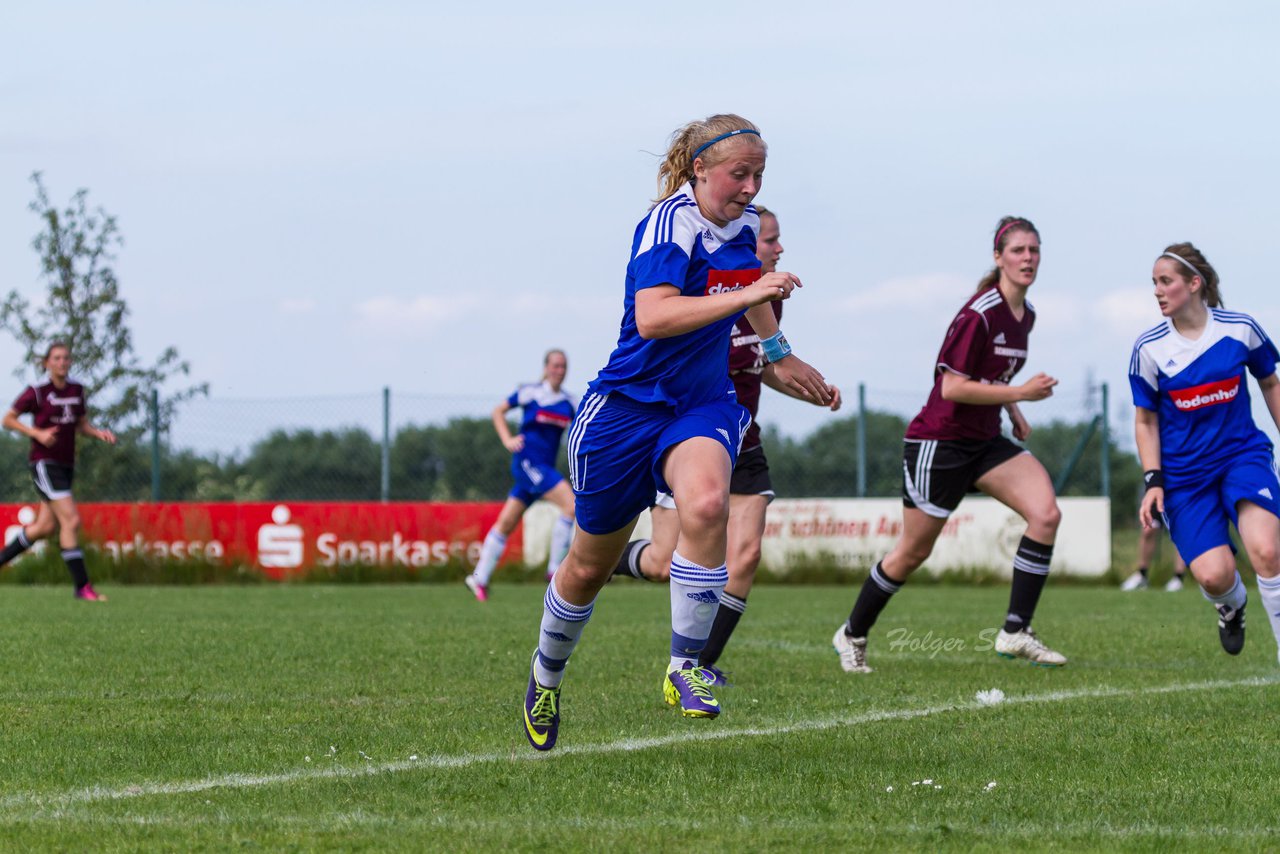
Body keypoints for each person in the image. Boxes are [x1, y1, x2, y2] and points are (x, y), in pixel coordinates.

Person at [522, 114, 831, 751]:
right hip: (625, 410)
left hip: (701, 403)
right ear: (699, 170)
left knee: (709, 503)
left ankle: (685, 667)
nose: (750, 187)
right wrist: (754, 289)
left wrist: (778, 350)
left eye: (759, 175)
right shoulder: (669, 223)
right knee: (584, 568)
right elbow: (656, 316)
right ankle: (546, 675)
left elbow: (751, 293)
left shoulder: (744, 228)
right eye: (739, 174)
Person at [611, 205, 843, 685]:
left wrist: (807, 386)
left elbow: (763, 366)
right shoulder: (706, 295)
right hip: (691, 437)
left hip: (745, 438)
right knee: (661, 562)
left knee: (746, 557)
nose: (778, 249)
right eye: (770, 241)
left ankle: (698, 665)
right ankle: (608, 560)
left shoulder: (768, 300)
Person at [833, 216, 1067, 673]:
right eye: (1018, 250)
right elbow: (953, 388)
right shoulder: (978, 313)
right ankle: (853, 632)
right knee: (913, 553)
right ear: (998, 257)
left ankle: (1016, 631)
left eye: (1034, 251)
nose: (1028, 259)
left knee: (1046, 513)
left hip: (984, 441)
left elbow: (992, 377)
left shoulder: (1027, 315)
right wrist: (1019, 396)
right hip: (938, 444)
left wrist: (1012, 410)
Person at [1131, 242, 1280, 662]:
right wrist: (1153, 480)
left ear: (1194, 284)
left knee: (1268, 551)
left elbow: (1270, 382)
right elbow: (1145, 421)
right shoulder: (1149, 350)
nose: (1158, 291)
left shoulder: (1240, 329)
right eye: (1154, 283)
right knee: (1215, 576)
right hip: (1184, 477)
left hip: (1242, 457)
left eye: (1166, 281)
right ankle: (1231, 606)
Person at [0, 342, 115, 600]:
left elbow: (80, 424)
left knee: (44, 527)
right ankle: (82, 587)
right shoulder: (37, 392)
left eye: (66, 358)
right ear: (47, 363)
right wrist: (36, 433)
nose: (62, 362)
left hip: (66, 464)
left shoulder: (76, 390)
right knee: (71, 521)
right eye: (57, 358)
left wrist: (98, 433)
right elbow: (7, 420)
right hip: (44, 463)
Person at [464, 349, 576, 601]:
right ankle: (554, 573)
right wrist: (507, 439)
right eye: (555, 365)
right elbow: (498, 411)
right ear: (546, 367)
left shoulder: (570, 402)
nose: (560, 370)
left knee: (507, 522)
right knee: (571, 506)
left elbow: (583, 429)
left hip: (544, 469)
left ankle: (478, 577)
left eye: (563, 366)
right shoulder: (530, 392)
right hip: (528, 462)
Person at [1119, 518, 1188, 591]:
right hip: (1157, 506)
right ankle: (1142, 575)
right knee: (1147, 530)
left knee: (1180, 531)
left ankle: (1178, 578)